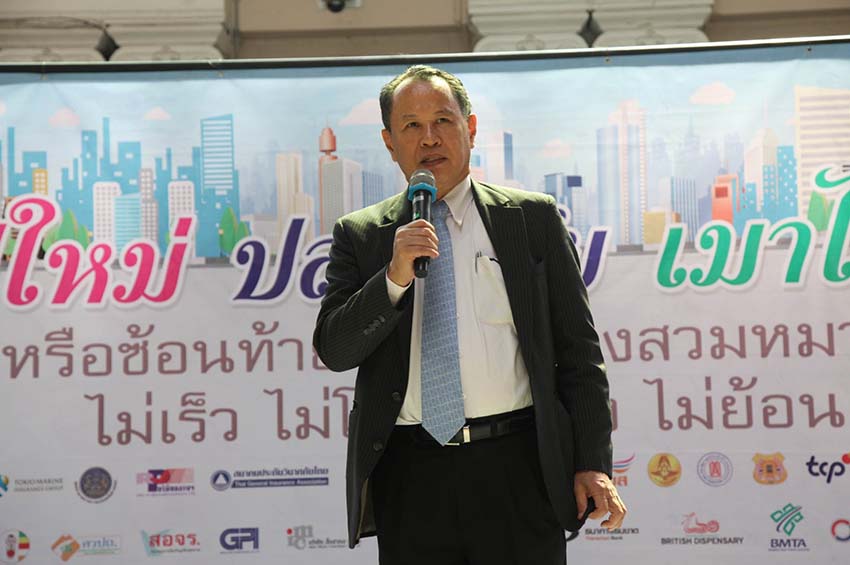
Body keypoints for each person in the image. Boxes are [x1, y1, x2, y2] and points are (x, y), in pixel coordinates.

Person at [313, 64, 625, 565]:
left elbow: (579, 353)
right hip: (410, 474)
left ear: (471, 128)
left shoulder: (531, 219)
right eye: (411, 125)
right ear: (389, 142)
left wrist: (592, 462)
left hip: (518, 466)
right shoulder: (362, 235)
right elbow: (335, 349)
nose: (429, 137)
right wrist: (393, 276)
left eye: (443, 120)